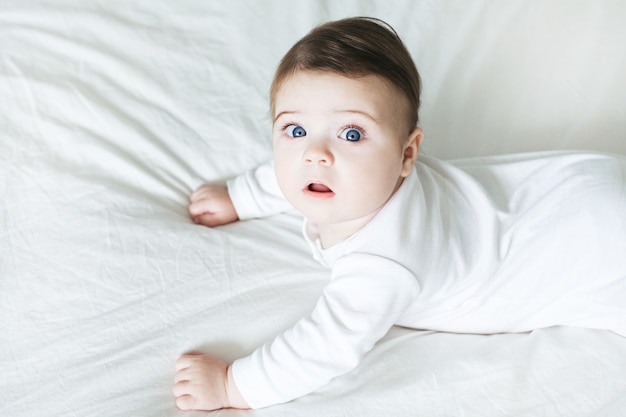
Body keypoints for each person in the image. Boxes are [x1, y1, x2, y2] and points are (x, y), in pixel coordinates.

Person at [173, 17, 626, 411]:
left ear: (407, 153)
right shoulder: (356, 174)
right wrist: (241, 195)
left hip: (595, 256)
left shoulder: (382, 261)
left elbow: (323, 345)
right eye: (294, 129)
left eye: (351, 133)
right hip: (570, 186)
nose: (316, 154)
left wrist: (235, 384)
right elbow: (293, 173)